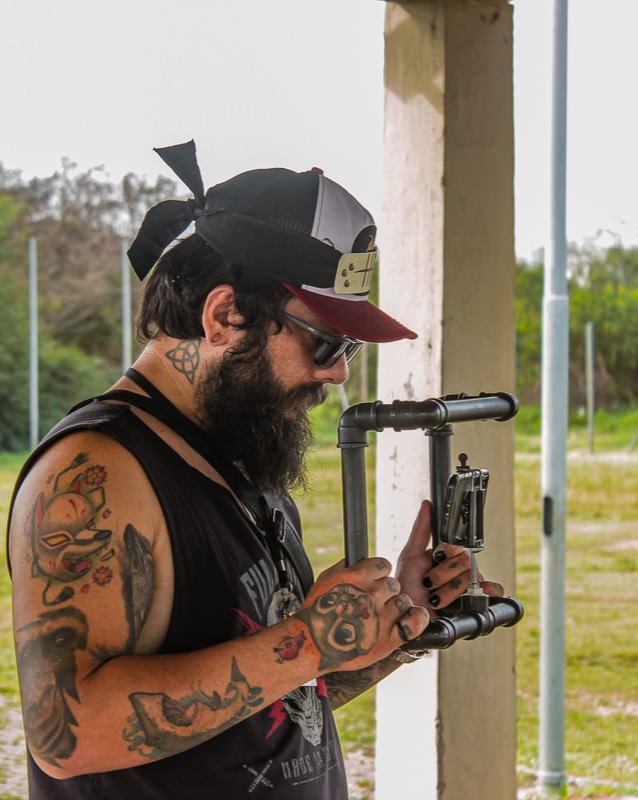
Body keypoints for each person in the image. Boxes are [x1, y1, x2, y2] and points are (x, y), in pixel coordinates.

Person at [7, 140, 501, 799]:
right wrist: (308, 639)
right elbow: (67, 734)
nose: (339, 372)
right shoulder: (96, 472)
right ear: (225, 316)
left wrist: (393, 624)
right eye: (325, 342)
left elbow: (275, 694)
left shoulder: (240, 458)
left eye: (348, 345)